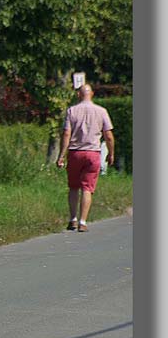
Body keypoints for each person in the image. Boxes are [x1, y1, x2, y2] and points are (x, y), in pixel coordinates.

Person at [56, 84, 115, 232]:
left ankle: (73, 219)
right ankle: (83, 221)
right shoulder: (102, 111)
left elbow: (66, 134)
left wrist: (62, 155)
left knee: (74, 187)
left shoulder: (72, 111)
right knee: (87, 188)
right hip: (93, 153)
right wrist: (111, 153)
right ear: (92, 94)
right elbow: (108, 136)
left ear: (78, 95)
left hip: (75, 152)